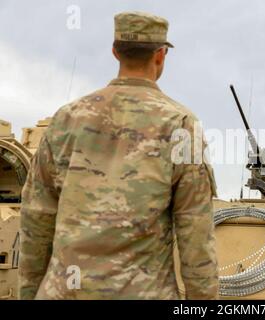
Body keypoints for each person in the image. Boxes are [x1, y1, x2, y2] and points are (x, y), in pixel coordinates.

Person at [19, 11, 219, 300]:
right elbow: (195, 236)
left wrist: (29, 293)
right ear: (161, 55)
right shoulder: (181, 125)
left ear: (115, 52)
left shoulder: (66, 119)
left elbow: (37, 218)